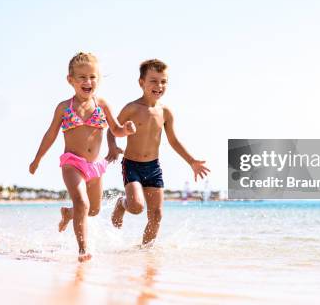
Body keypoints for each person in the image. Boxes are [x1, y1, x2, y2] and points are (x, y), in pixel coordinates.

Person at [29, 52, 136, 262]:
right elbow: (50, 135)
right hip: (72, 164)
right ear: (71, 80)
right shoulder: (64, 107)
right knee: (83, 203)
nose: (88, 81)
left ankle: (69, 214)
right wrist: (37, 159)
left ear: (99, 79)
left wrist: (127, 130)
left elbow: (115, 129)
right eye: (82, 77)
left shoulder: (102, 104)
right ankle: (83, 249)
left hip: (94, 167)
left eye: (93, 77)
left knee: (93, 210)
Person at [106, 59, 210, 246]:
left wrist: (192, 161)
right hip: (132, 165)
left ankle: (145, 252)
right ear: (141, 83)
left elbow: (173, 140)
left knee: (156, 214)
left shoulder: (166, 112)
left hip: (153, 167)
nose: (159, 86)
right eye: (153, 80)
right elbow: (112, 129)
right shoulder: (132, 108)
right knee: (137, 207)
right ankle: (122, 203)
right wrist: (112, 146)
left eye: (163, 81)